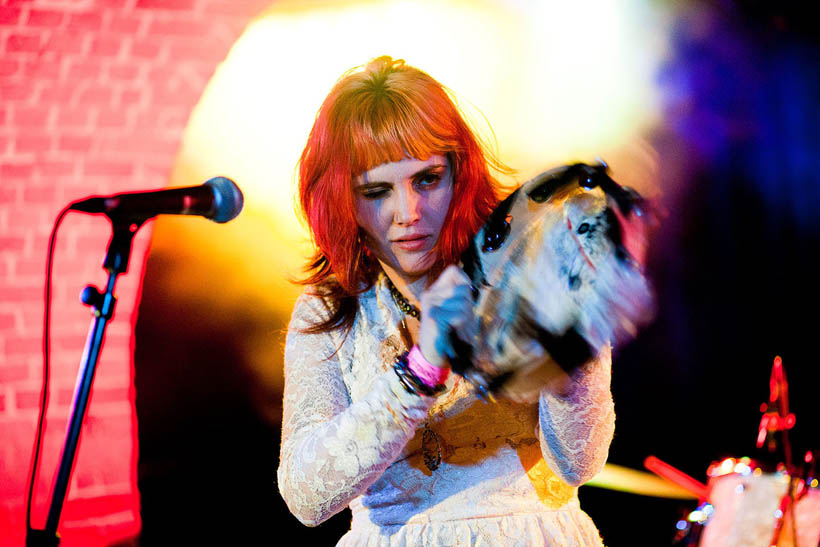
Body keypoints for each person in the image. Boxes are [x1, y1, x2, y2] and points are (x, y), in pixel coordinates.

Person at [277, 56, 615, 546]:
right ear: (339, 199)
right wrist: (420, 371)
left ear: (459, 172)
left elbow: (581, 463)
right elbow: (307, 499)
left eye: (427, 179)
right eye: (377, 191)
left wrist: (570, 368)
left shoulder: (532, 270)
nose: (408, 213)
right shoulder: (330, 308)